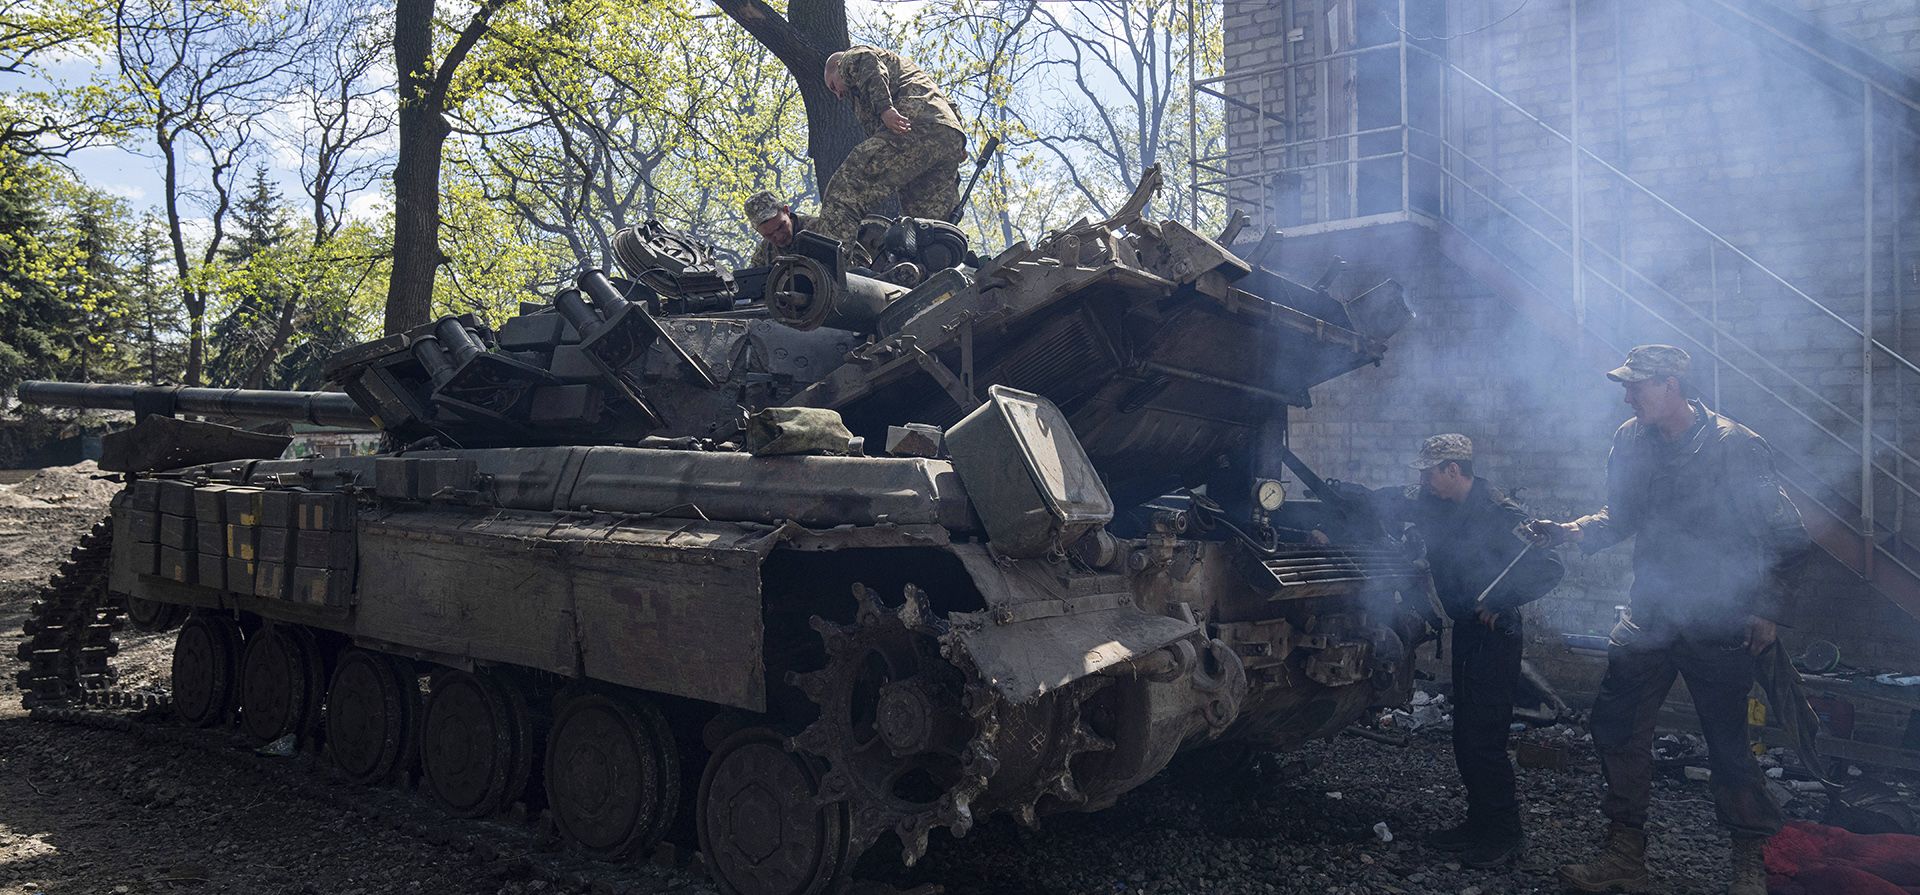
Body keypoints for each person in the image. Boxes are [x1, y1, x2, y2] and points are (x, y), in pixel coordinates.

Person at [1527, 345, 1811, 895]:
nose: (1628, 398)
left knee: (1728, 743)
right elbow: (1621, 515)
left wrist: (1766, 610)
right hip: (1652, 613)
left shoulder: (1735, 446)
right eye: (1626, 387)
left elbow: (1789, 536)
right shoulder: (1631, 439)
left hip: (1719, 618)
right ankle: (1623, 855)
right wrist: (1571, 531)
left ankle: (1748, 860)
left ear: (1671, 385)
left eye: (1636, 387)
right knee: (1615, 726)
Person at [1399, 434, 1564, 869]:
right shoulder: (1439, 503)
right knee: (1466, 734)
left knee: (1484, 736)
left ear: (1453, 470)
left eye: (1429, 473)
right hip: (1468, 631)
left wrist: (1501, 600)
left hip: (1495, 636)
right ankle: (1479, 823)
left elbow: (1550, 567)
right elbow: (1396, 504)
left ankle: (1505, 834)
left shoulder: (1500, 513)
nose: (1423, 481)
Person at [816, 45, 968, 266]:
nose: (838, 95)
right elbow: (948, 103)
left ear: (838, 68)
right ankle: (932, 273)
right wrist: (959, 140)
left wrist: (885, 109)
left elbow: (865, 60)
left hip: (912, 125)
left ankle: (829, 268)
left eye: (833, 86)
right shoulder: (908, 72)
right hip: (946, 136)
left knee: (846, 189)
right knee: (928, 227)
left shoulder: (850, 59)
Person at [743, 192, 817, 268]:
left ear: (786, 211)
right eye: (769, 235)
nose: (779, 237)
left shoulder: (817, 228)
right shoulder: (764, 253)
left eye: (781, 227)